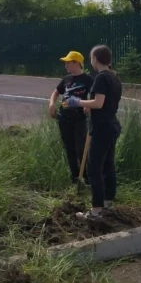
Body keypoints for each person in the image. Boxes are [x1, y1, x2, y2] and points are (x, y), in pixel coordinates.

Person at [65, 45, 123, 219]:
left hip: (102, 128)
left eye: (91, 57)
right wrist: (91, 108)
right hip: (112, 124)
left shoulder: (101, 78)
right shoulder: (114, 77)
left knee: (94, 166)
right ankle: (107, 202)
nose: (91, 61)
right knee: (108, 164)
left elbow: (98, 103)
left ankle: (96, 210)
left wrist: (79, 102)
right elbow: (105, 103)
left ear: (96, 58)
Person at [48, 51, 93, 184]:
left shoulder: (88, 79)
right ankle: (74, 178)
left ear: (77, 63)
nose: (66, 65)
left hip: (79, 118)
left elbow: (96, 95)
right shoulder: (66, 79)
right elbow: (56, 93)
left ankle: (86, 176)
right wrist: (51, 104)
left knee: (81, 148)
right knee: (69, 148)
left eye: (68, 62)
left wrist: (89, 105)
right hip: (64, 118)